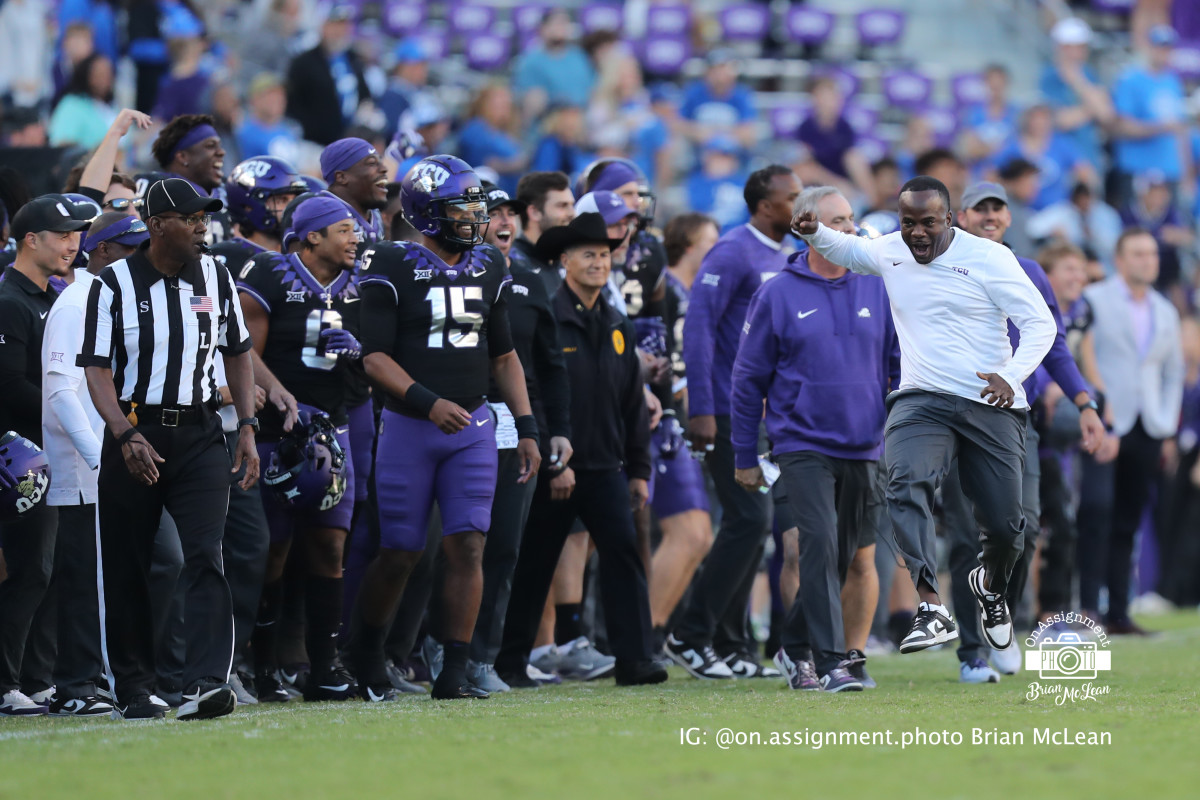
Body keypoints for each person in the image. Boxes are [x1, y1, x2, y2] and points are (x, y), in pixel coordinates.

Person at [792, 175, 1056, 657]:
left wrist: (1010, 374)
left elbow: (1041, 323)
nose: (916, 233)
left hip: (989, 400)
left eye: (928, 222)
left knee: (1007, 529)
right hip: (922, 397)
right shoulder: (891, 250)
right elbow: (850, 251)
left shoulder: (990, 258)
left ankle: (990, 586)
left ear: (949, 220)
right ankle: (932, 605)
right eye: (908, 222)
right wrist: (814, 232)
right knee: (903, 480)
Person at [351, 155, 541, 700]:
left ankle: (454, 669)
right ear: (428, 211)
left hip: (474, 425)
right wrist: (428, 402)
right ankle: (367, 654)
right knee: (402, 551)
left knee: (469, 547)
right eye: (463, 206)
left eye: (476, 205)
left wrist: (525, 425)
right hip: (412, 425)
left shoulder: (490, 266)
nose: (475, 217)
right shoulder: (390, 262)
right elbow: (374, 358)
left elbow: (503, 356)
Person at [78, 178, 264, 721]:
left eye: (205, 218)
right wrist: (123, 434)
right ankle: (135, 684)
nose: (203, 227)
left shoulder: (217, 274)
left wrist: (247, 425)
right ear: (159, 225)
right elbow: (96, 367)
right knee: (130, 562)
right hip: (136, 432)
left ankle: (207, 681)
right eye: (192, 218)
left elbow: (238, 352)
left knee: (206, 554)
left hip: (203, 432)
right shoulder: (112, 283)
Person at [733, 187, 898, 693]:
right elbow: (747, 379)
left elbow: (897, 365)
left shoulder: (878, 286)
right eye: (836, 221)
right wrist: (744, 453)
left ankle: (794, 643)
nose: (849, 230)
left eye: (850, 220)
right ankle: (831, 663)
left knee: (845, 554)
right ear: (808, 226)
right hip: (801, 443)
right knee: (818, 545)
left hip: (864, 445)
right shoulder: (778, 292)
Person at [497, 212, 666, 687]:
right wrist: (553, 463)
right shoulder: (547, 313)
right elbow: (535, 390)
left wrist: (638, 468)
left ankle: (634, 660)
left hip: (606, 467)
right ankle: (509, 662)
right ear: (565, 260)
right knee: (533, 562)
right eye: (588, 254)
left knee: (623, 556)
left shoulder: (616, 323)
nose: (599, 262)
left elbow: (633, 402)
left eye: (605, 254)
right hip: (558, 466)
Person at [943, 181, 1103, 683]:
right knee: (968, 537)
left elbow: (1053, 344)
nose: (990, 215)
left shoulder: (1029, 271)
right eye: (979, 208)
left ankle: (1000, 620)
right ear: (960, 217)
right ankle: (972, 652)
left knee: (1024, 526)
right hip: (948, 415)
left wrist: (1084, 401)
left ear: (1009, 218)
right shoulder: (939, 268)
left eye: (998, 208)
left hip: (1015, 419)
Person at [666, 165, 801, 679]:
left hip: (766, 413)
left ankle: (733, 645)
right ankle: (689, 633)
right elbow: (698, 330)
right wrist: (700, 408)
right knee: (748, 521)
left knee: (754, 527)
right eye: (792, 198)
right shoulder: (731, 251)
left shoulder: (783, 255)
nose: (800, 206)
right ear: (766, 206)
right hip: (725, 408)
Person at [238, 194, 362, 702]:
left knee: (331, 544)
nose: (355, 237)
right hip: (277, 432)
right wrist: (280, 393)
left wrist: (360, 352)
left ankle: (324, 665)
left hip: (334, 430)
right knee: (274, 549)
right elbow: (242, 350)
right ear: (312, 236)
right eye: (343, 229)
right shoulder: (270, 276)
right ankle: (263, 666)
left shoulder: (362, 283)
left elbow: (384, 349)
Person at [458, 181, 573, 692]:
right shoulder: (437, 277)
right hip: (452, 422)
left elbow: (549, 368)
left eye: (507, 211)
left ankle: (484, 657)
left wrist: (556, 432)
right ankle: (433, 649)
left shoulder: (529, 282)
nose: (501, 221)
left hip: (515, 428)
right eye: (490, 212)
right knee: (453, 544)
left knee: (504, 545)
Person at [40, 213, 149, 717]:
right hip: (81, 470)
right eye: (130, 249)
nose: (139, 258)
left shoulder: (112, 299)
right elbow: (60, 391)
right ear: (101, 251)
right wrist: (99, 457)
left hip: (108, 464)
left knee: (113, 575)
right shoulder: (77, 301)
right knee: (86, 580)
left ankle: (104, 679)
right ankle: (78, 684)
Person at [0, 195, 90, 717]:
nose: (72, 244)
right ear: (29, 240)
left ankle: (37, 677)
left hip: (47, 451)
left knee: (48, 569)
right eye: (62, 235)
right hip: (18, 458)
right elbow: (7, 383)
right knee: (29, 567)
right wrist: (68, 407)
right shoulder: (10, 301)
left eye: (77, 234)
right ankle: (5, 679)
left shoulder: (53, 297)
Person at [1078, 229, 1184, 635]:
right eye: (1138, 253)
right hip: (1105, 420)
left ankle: (1119, 612)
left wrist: (1166, 419)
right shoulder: (1097, 299)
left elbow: (1173, 370)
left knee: (1128, 518)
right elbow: (1083, 355)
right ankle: (1089, 608)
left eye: (1152, 254)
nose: (1148, 260)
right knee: (1096, 511)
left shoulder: (1165, 309)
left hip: (1148, 423)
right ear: (1119, 260)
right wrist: (1096, 405)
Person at [650, 213, 718, 644]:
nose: (719, 250)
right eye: (711, 241)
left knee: (697, 535)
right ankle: (642, 633)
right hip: (661, 421)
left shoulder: (695, 293)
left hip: (680, 423)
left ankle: (655, 632)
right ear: (688, 245)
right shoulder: (665, 290)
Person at [1110, 25, 1187, 206]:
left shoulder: (1173, 81)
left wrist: (1185, 171)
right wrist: (1159, 127)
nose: (1163, 52)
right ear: (1149, 48)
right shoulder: (1130, 80)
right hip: (1139, 168)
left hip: (1169, 170)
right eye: (1159, 46)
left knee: (1170, 230)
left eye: (1167, 48)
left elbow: (1179, 131)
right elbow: (1121, 126)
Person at [285, 4, 370, 146]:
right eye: (334, 25)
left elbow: (365, 95)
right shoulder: (303, 62)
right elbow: (292, 104)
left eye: (343, 26)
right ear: (323, 26)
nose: (339, 31)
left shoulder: (353, 59)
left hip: (349, 142)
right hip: (315, 143)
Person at [1039, 18, 1113, 173]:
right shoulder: (1049, 77)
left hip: (1089, 159)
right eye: (1071, 47)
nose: (1078, 52)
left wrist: (1076, 81)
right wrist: (1092, 107)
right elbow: (1060, 120)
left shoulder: (1089, 74)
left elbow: (1106, 115)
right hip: (1060, 163)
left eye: (1081, 47)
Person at [144, 114, 232, 244]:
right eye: (210, 145)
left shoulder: (229, 189)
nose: (221, 152)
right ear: (183, 157)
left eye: (219, 145)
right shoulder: (155, 189)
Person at [214, 156, 307, 276]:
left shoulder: (302, 255)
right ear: (249, 206)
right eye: (282, 200)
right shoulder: (226, 256)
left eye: (295, 199)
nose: (293, 207)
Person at [512, 9, 596, 120]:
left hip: (581, 118)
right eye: (556, 24)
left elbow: (592, 88)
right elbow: (530, 100)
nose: (560, 28)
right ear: (543, 28)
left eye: (564, 24)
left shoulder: (579, 57)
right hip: (549, 121)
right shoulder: (530, 62)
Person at [513, 171, 575, 290]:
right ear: (534, 212)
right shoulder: (512, 266)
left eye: (572, 205)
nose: (572, 213)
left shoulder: (567, 261)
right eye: (562, 206)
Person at [47, 53, 117, 149]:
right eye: (99, 74)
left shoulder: (110, 107)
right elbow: (61, 144)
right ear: (86, 75)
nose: (105, 79)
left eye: (108, 74)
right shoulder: (71, 105)